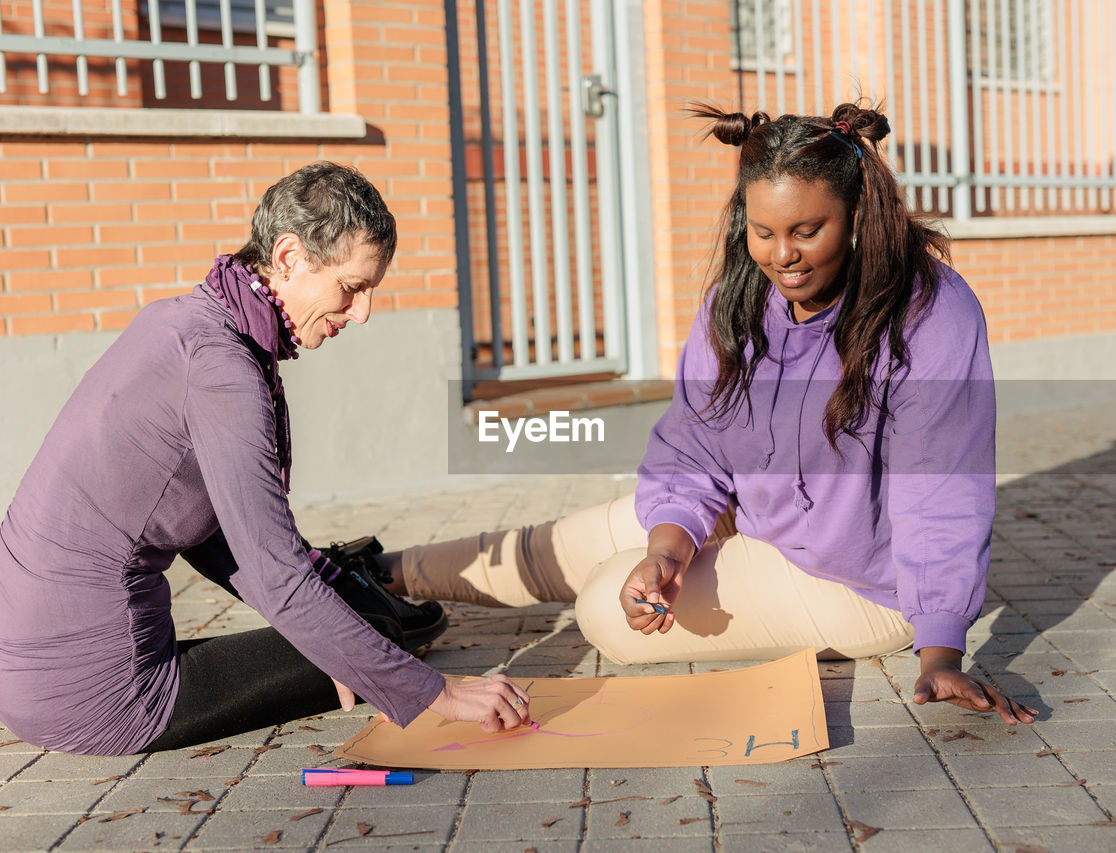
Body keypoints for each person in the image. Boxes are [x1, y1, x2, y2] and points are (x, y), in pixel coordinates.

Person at [375, 102, 1036, 725]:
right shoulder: (740, 298)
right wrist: (668, 547)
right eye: (764, 231)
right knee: (566, 546)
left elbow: (940, 489)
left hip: (862, 584)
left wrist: (942, 649)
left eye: (808, 230)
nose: (784, 255)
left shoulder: (928, 311)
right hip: (756, 514)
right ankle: (371, 574)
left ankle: (375, 581)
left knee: (608, 609)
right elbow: (694, 442)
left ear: (859, 213)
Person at [0, 162, 532, 757]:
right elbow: (273, 572)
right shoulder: (224, 371)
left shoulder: (179, 322)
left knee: (350, 630)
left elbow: (218, 539)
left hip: (22, 672)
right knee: (380, 638)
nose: (363, 313)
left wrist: (328, 616)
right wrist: (436, 694)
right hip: (102, 698)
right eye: (353, 287)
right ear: (287, 257)